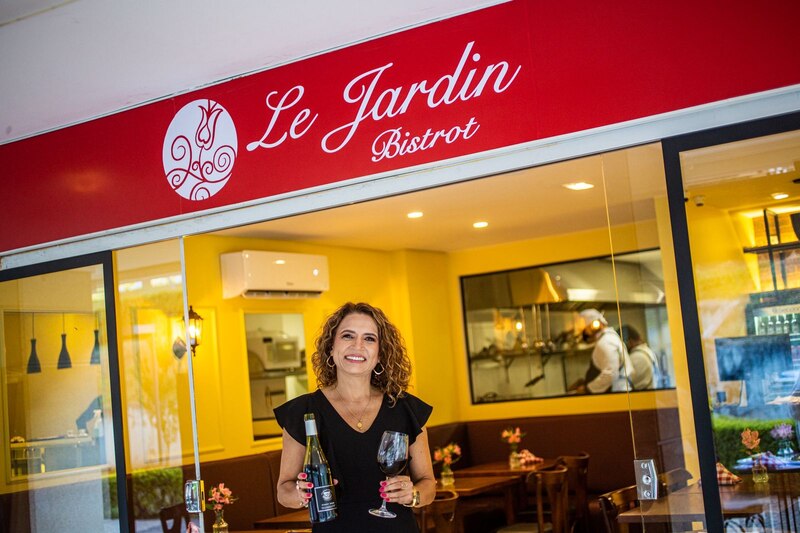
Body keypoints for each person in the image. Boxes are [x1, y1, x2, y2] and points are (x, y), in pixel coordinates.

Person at [274, 302, 436, 532]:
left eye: (369, 338)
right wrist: (301, 494)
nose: (357, 346)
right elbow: (284, 490)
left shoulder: (405, 409)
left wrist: (414, 495)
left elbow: (428, 485)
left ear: (380, 354)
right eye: (348, 336)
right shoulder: (303, 412)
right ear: (331, 347)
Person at [574, 308, 633, 394]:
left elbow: (611, 373)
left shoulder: (605, 342)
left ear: (594, 325)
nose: (585, 335)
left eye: (585, 331)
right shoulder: (610, 338)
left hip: (616, 393)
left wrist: (588, 389)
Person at [621, 325, 661, 390]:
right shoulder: (647, 351)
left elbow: (622, 383)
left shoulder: (635, 357)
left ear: (630, 342)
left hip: (644, 394)